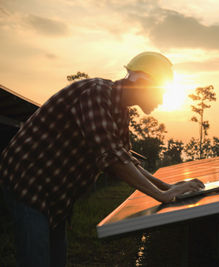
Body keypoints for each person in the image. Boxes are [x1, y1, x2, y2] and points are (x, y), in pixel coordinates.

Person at [0, 51, 204, 267]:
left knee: (56, 259)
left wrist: (167, 186)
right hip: (28, 181)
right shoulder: (95, 95)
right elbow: (113, 160)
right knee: (37, 260)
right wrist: (162, 195)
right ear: (143, 83)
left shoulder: (120, 111)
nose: (162, 100)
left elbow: (124, 159)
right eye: (160, 92)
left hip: (54, 193)